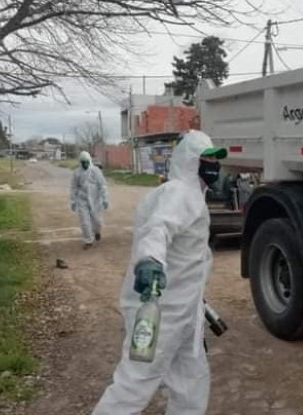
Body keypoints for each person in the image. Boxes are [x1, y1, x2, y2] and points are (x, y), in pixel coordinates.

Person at [92, 130, 226, 415]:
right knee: (135, 381)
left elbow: (190, 259)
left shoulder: (193, 196)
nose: (213, 166)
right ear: (190, 161)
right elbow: (157, 229)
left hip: (185, 312)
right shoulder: (178, 193)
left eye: (215, 160)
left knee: (191, 380)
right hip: (159, 311)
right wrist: (150, 261)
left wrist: (198, 302)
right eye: (206, 159)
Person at [70, 151, 109, 249]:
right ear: (80, 162)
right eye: (83, 162)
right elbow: (74, 188)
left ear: (90, 161)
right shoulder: (77, 173)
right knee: (85, 221)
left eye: (86, 162)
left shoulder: (96, 171)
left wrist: (105, 198)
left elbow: (103, 185)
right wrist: (73, 201)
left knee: (97, 221)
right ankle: (88, 241)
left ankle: (97, 232)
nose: (85, 164)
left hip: (95, 199)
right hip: (82, 200)